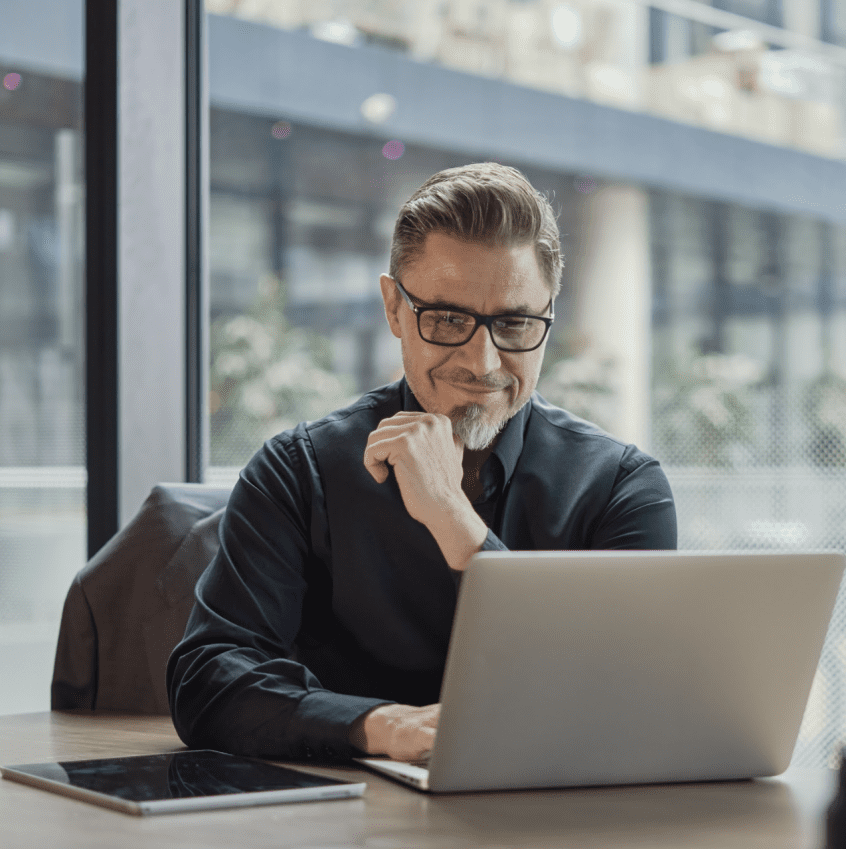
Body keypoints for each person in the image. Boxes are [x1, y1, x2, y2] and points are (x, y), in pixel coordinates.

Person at [167, 162, 677, 764]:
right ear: (393, 309)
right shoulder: (298, 470)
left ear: (548, 318)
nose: (483, 361)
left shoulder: (623, 488)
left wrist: (453, 520)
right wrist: (379, 727)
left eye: (514, 323)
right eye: (448, 320)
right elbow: (207, 681)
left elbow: (624, 699)